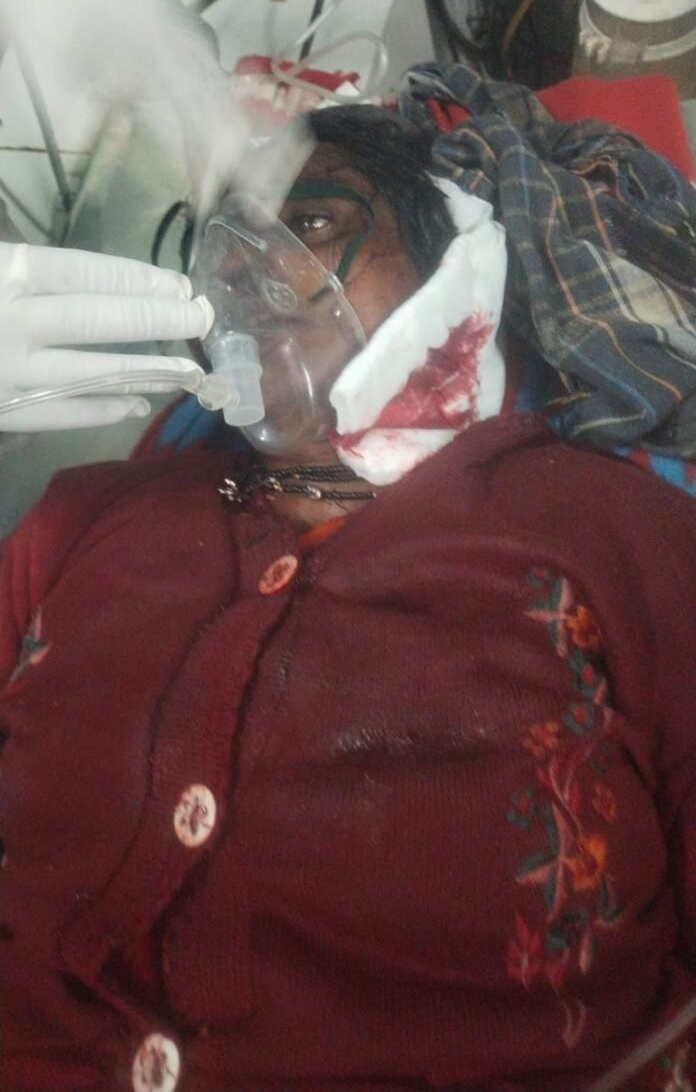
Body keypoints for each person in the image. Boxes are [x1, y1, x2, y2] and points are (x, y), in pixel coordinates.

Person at [2, 104, 696, 1092]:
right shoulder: (87, 516)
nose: (242, 270)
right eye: (220, 244)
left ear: (444, 264)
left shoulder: (612, 532)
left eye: (313, 220)